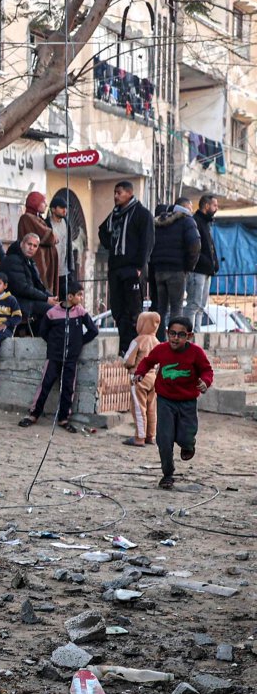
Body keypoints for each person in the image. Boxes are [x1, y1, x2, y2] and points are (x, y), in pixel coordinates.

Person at [132, 315, 214, 490]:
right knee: (164, 438)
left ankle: (188, 445)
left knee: (185, 435)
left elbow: (207, 370)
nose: (176, 338)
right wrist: (140, 373)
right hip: (165, 400)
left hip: (188, 401)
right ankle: (167, 474)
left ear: (189, 336)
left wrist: (205, 382)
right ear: (167, 333)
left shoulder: (196, 353)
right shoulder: (161, 350)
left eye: (181, 335)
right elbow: (148, 361)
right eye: (173, 334)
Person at [18, 283, 98, 433]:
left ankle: (63, 418)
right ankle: (34, 415)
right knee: (45, 384)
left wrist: (79, 343)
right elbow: (43, 331)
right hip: (54, 356)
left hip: (71, 358)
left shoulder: (80, 312)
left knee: (68, 387)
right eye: (79, 295)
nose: (81, 297)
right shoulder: (52, 313)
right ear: (70, 296)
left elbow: (93, 330)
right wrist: (54, 344)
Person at [99, 180, 154, 356]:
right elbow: (102, 230)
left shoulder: (142, 214)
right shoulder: (115, 215)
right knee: (117, 309)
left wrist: (139, 266)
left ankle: (135, 348)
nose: (116, 196)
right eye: (115, 193)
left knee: (133, 312)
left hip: (132, 270)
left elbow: (147, 242)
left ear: (129, 193)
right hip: (116, 269)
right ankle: (124, 348)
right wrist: (111, 245)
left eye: (119, 193)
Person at [149, 197, 201, 328]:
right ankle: (174, 342)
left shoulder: (158, 222)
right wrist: (189, 266)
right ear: (184, 207)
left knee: (161, 308)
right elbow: (195, 245)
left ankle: (159, 342)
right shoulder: (187, 221)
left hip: (159, 270)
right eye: (190, 207)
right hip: (177, 270)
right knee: (176, 309)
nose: (191, 210)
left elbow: (150, 244)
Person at [122, 309, 162, 448]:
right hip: (153, 377)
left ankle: (139, 437)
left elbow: (128, 360)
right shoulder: (157, 341)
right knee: (151, 408)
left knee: (139, 408)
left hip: (138, 378)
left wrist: (127, 365)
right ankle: (151, 436)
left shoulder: (138, 340)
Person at [0, 231, 55, 330]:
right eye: (29, 244)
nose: (31, 248)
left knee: (59, 308)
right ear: (22, 244)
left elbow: (38, 286)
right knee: (53, 311)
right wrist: (46, 299)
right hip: (16, 302)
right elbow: (22, 288)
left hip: (27, 300)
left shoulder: (29, 261)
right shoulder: (13, 260)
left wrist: (53, 298)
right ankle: (47, 338)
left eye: (35, 246)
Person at [18, 191, 60, 294]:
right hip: (38, 261)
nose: (46, 205)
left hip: (46, 261)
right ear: (35, 203)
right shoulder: (27, 218)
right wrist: (52, 236)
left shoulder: (37, 218)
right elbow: (48, 236)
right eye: (43, 202)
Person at [189, 194, 221, 327]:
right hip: (198, 271)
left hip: (206, 271)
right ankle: (189, 334)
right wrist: (207, 262)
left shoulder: (206, 223)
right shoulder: (195, 221)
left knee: (201, 305)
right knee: (194, 304)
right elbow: (193, 248)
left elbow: (210, 247)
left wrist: (214, 264)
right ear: (206, 206)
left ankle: (197, 334)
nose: (216, 208)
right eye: (215, 205)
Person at [49, 193, 80, 296]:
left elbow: (69, 246)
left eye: (66, 208)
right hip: (51, 270)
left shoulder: (66, 223)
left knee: (66, 299)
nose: (65, 210)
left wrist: (71, 267)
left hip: (65, 270)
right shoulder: (46, 224)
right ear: (53, 209)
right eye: (62, 207)